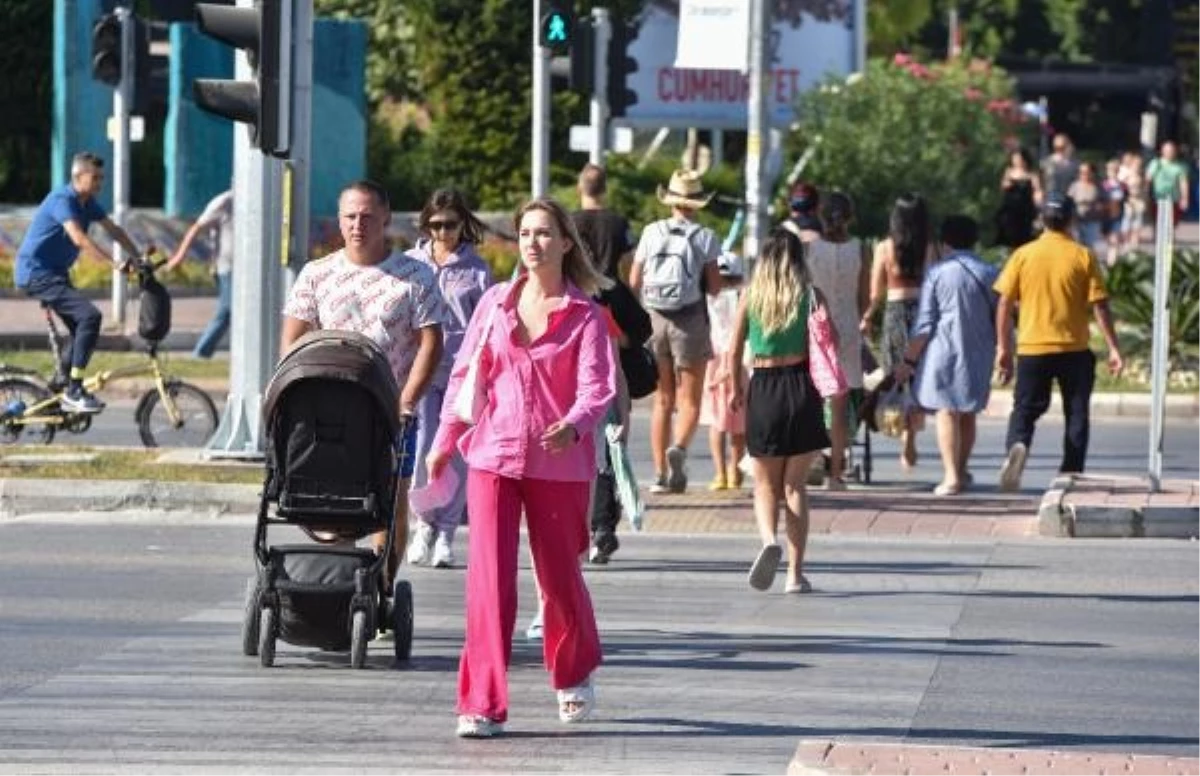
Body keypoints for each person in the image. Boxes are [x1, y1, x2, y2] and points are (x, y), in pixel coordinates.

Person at [427, 197, 615, 739]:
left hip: (559, 462)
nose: (532, 242)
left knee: (558, 578)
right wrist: (445, 441)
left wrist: (574, 424)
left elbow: (597, 387)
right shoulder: (493, 304)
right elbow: (465, 378)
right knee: (489, 581)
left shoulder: (584, 315)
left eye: (544, 233)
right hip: (493, 454)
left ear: (564, 244)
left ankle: (574, 672)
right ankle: (481, 701)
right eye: (526, 233)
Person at [280, 180, 445, 585]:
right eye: (351, 216)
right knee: (332, 496)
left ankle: (384, 585)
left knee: (391, 502)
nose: (359, 224)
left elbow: (432, 343)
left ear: (385, 217)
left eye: (368, 216)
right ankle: (335, 585)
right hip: (329, 410)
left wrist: (406, 400)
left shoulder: (415, 275)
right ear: (340, 220)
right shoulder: (317, 274)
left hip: (391, 409)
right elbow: (292, 341)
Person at [993, 194, 1124, 492]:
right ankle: (1071, 472)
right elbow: (1100, 305)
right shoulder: (1082, 255)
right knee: (1076, 412)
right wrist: (1114, 347)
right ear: (1071, 220)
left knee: (1024, 409)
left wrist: (1003, 347)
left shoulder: (1023, 255)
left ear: (1042, 221)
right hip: (1074, 349)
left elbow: (1003, 303)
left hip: (1032, 348)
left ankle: (1018, 445)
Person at [730, 228, 831, 594]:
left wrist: (733, 388)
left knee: (764, 484)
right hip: (802, 388)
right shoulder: (811, 297)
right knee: (796, 487)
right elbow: (828, 341)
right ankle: (795, 574)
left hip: (765, 387)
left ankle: (768, 540)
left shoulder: (750, 297)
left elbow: (731, 352)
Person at [14, 151, 150, 413]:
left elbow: (115, 230)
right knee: (90, 317)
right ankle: (74, 389)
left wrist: (139, 256)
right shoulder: (62, 200)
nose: (100, 183)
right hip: (36, 273)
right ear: (78, 176)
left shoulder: (88, 203)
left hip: (54, 274)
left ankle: (59, 386)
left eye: (102, 178)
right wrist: (115, 264)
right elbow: (79, 238)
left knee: (81, 327)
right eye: (95, 177)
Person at [403, 189, 492, 569]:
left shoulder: (476, 270)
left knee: (455, 453)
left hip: (462, 372)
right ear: (426, 226)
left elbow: (488, 323)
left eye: (450, 225)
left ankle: (447, 533)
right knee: (423, 445)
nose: (442, 233)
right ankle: (422, 522)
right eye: (435, 226)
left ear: (462, 225)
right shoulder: (411, 262)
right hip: (421, 367)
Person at [630, 169, 731, 494]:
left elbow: (635, 281)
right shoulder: (706, 237)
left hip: (655, 319)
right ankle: (681, 449)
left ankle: (660, 473)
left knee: (662, 399)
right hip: (689, 321)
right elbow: (715, 289)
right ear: (697, 203)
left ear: (671, 200)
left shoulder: (651, 232)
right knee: (689, 399)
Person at [894, 215, 998, 496]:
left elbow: (925, 323)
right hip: (979, 351)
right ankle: (961, 470)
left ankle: (951, 477)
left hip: (944, 352)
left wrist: (908, 360)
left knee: (946, 412)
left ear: (944, 242)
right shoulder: (990, 273)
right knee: (968, 413)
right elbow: (1000, 318)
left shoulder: (938, 273)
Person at [861, 193, 935, 469]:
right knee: (917, 377)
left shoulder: (884, 247)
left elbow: (875, 292)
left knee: (896, 375)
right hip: (923, 313)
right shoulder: (931, 248)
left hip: (895, 313)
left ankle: (902, 429)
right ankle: (910, 438)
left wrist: (868, 317)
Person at [806, 191, 868, 490]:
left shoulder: (811, 249)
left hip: (816, 326)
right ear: (851, 217)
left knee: (814, 397)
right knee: (841, 403)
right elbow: (864, 296)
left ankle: (813, 459)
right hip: (848, 326)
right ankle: (836, 473)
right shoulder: (860, 249)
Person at [165, 188, 233, 359]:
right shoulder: (225, 201)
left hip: (247, 269)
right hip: (228, 267)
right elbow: (196, 228)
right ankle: (201, 353)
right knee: (227, 311)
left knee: (232, 312)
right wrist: (179, 257)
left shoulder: (258, 198)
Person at [701, 252, 747, 491]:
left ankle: (720, 473)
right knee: (739, 422)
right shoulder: (742, 295)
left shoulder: (707, 297)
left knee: (715, 421)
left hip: (713, 359)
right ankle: (735, 471)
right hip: (739, 360)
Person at [995, 147, 1042, 251]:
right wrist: (1009, 183)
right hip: (1011, 209)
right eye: (1015, 159)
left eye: (1019, 159)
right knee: (1010, 236)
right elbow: (1003, 186)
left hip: (1026, 209)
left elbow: (1037, 190)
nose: (1017, 162)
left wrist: (1039, 201)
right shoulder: (1009, 172)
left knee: (1025, 236)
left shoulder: (1031, 174)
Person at [1145, 140, 1191, 236]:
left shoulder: (1180, 166)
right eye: (1167, 150)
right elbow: (1148, 179)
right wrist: (1145, 195)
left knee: (1172, 222)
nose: (1169, 153)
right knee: (1158, 221)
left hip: (1173, 198)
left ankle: (1169, 240)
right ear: (1162, 151)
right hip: (1157, 197)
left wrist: (1185, 198)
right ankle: (1158, 239)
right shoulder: (1156, 163)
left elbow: (1183, 183)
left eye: (1171, 151)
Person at [1067, 162, 1104, 252]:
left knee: (1090, 247)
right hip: (1077, 221)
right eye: (1081, 172)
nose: (1083, 174)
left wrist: (1098, 206)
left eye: (1086, 172)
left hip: (1092, 222)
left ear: (1092, 173)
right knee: (1078, 246)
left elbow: (1103, 203)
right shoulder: (1074, 186)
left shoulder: (1098, 186)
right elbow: (1068, 202)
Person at [1100, 159, 1129, 266]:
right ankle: (1111, 258)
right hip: (1105, 216)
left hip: (1118, 216)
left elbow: (1126, 198)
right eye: (1110, 170)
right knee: (1108, 239)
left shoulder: (1123, 186)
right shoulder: (1103, 185)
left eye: (1115, 170)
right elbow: (1099, 200)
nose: (1112, 172)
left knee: (1114, 241)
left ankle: (1111, 264)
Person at [1118, 152, 1146, 252]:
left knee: (1138, 221)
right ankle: (1125, 241)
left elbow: (1144, 189)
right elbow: (1122, 187)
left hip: (1139, 201)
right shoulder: (1126, 175)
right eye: (1135, 165)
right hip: (1129, 201)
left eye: (1139, 165)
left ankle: (1135, 243)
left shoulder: (1142, 175)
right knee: (1127, 221)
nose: (1137, 167)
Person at [1041, 133, 1080, 199]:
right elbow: (1042, 180)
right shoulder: (1047, 162)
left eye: (1063, 147)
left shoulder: (1075, 164)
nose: (1060, 150)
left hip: (1071, 197)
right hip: (1052, 196)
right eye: (1057, 148)